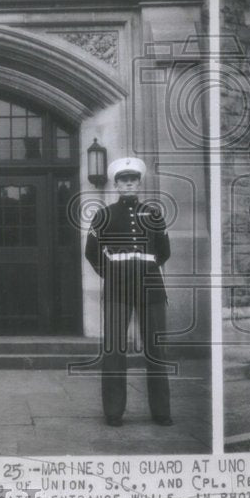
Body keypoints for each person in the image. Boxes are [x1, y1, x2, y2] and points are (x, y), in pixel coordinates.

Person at [85, 157, 172, 427]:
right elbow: (91, 252)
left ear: (139, 183)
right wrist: (111, 273)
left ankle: (161, 412)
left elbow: (164, 251)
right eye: (123, 180)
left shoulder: (153, 214)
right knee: (114, 350)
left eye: (133, 180)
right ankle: (113, 412)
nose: (128, 184)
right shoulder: (104, 214)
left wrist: (144, 268)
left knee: (156, 350)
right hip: (117, 288)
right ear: (116, 184)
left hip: (151, 287)